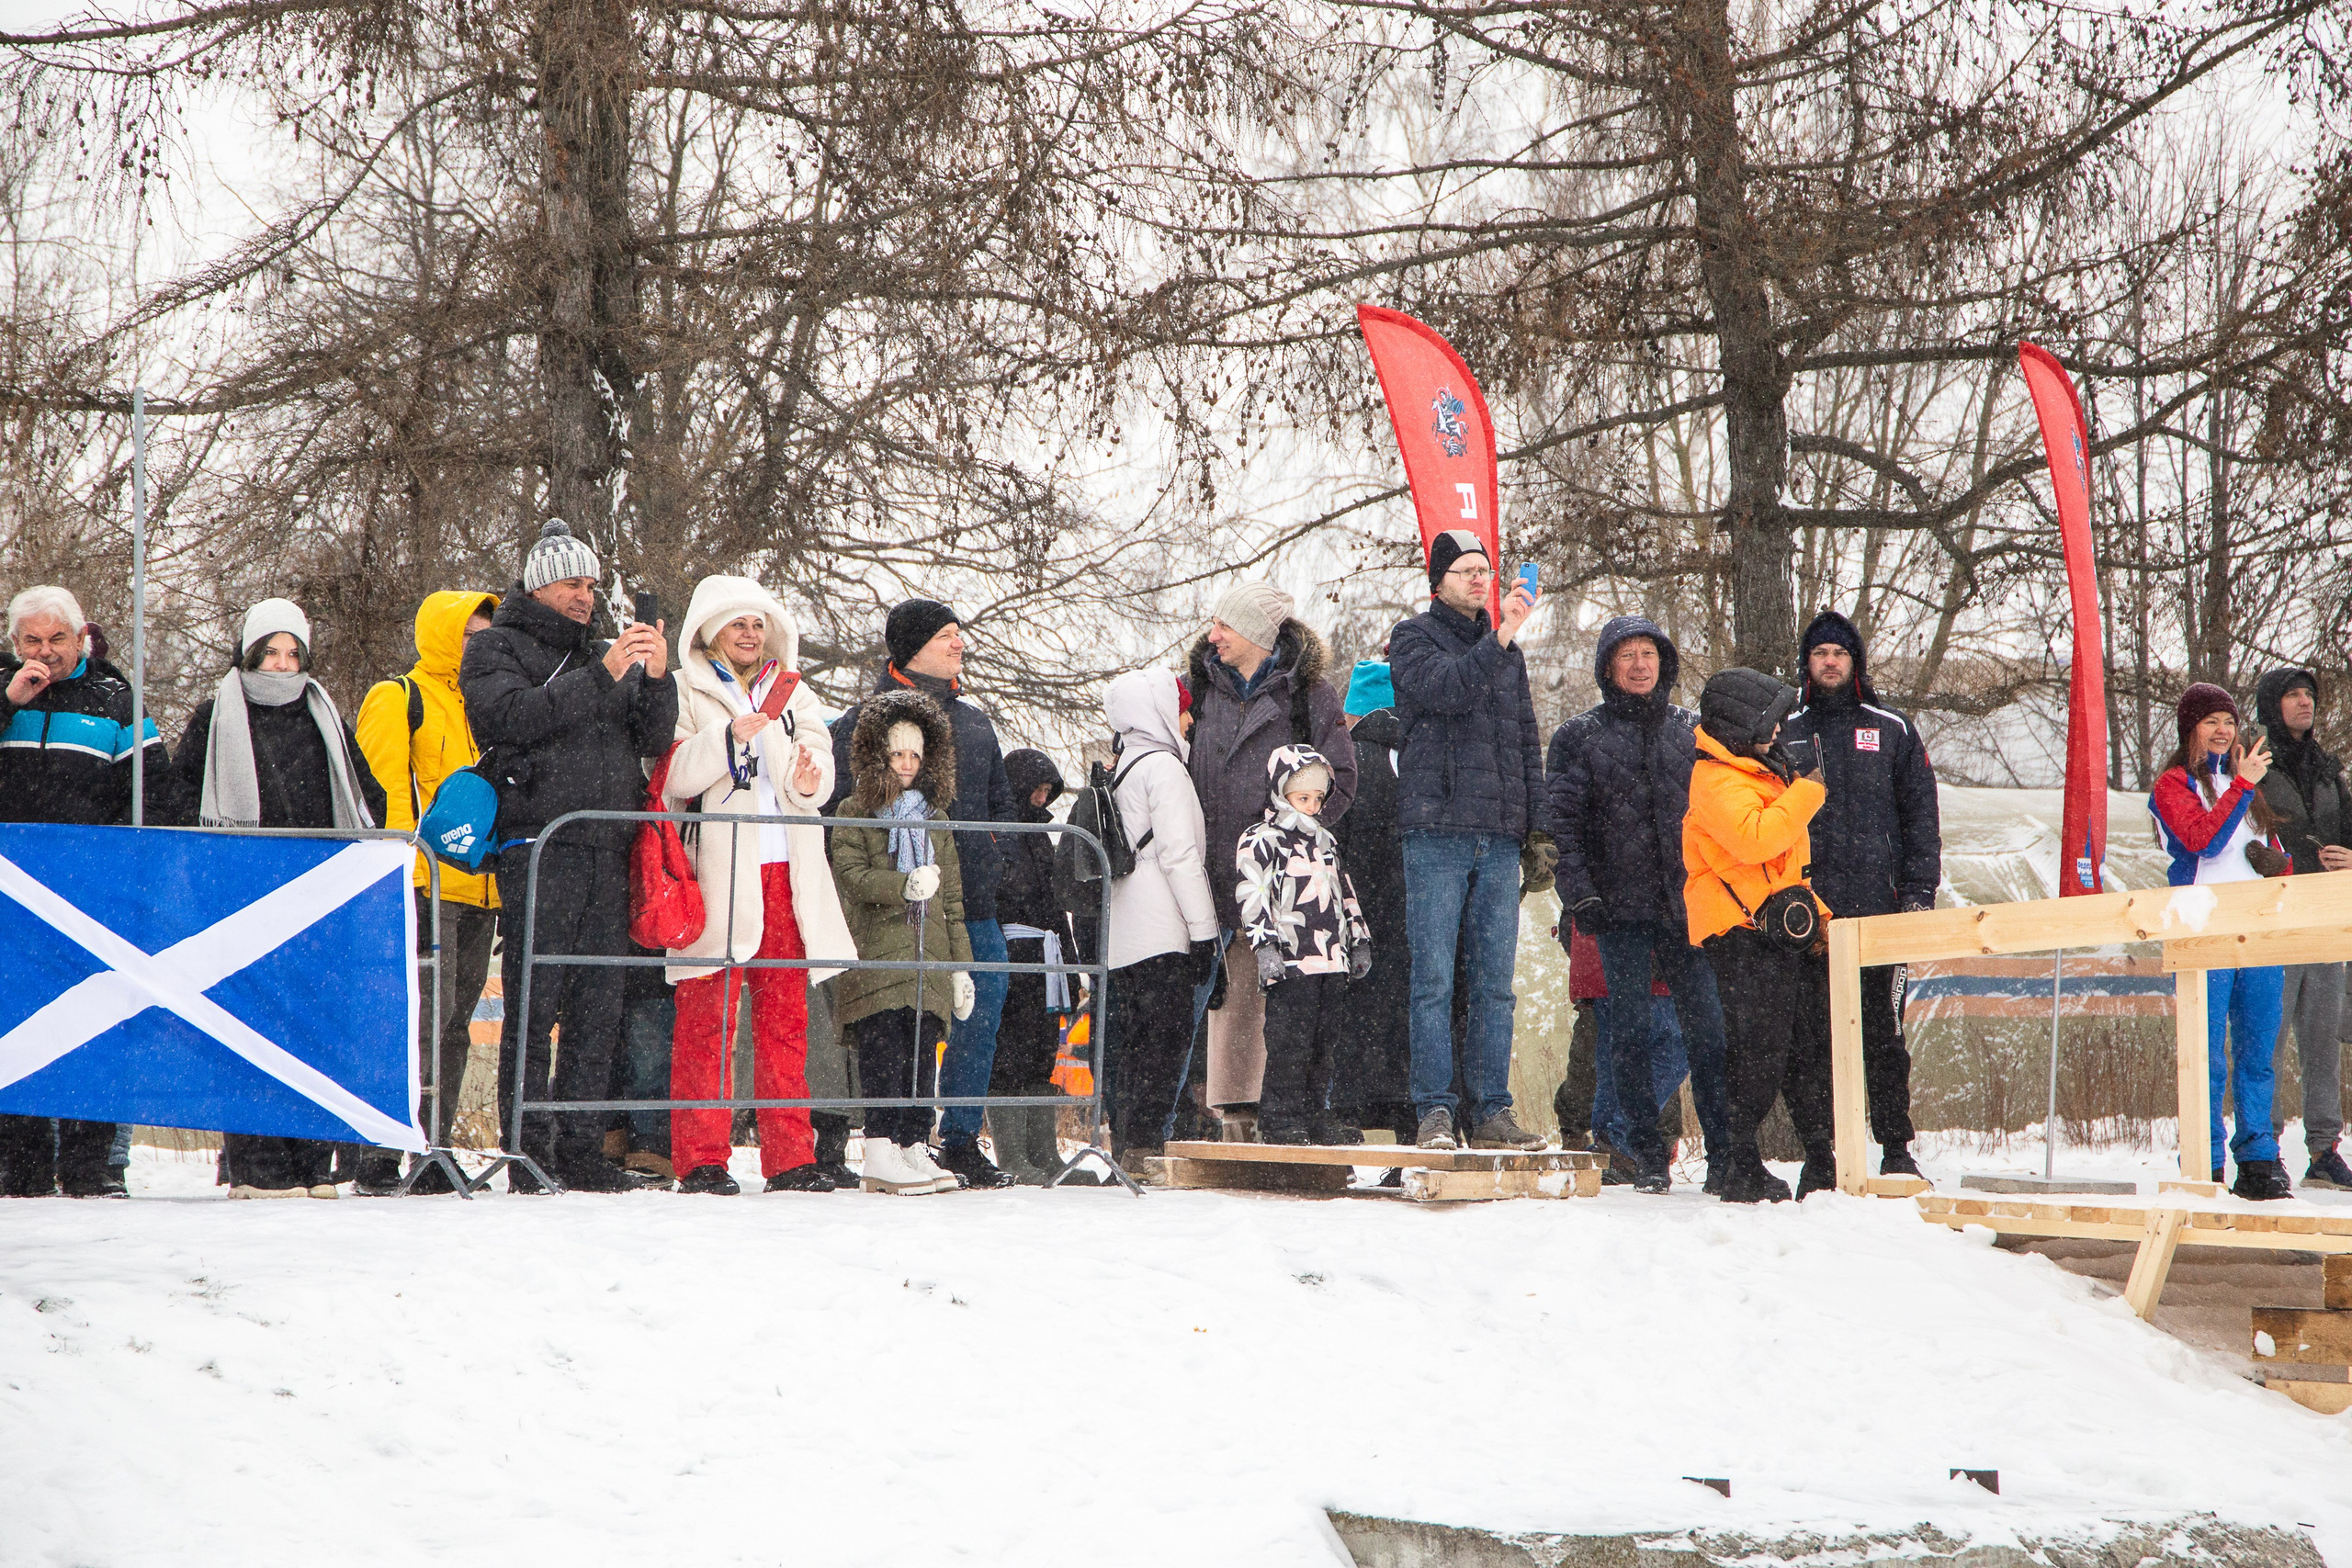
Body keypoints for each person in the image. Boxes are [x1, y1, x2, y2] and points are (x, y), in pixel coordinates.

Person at [460, 518, 677, 1192]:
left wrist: (659, 678)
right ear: (538, 583)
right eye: (572, 582)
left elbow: (652, 735)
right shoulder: (495, 647)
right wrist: (602, 674)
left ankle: (582, 1147)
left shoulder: (602, 652)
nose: (586, 596)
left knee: (598, 1004)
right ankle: (527, 1147)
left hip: (608, 849)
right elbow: (509, 719)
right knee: (535, 1002)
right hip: (538, 847)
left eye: (591, 584)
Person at [168, 598, 387, 1197]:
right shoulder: (218, 713)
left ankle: (314, 1161)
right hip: (241, 899)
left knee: (314, 1027)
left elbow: (368, 796)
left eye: (293, 653)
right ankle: (257, 1164)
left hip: (318, 904)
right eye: (271, 651)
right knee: (249, 1026)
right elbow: (181, 796)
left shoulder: (324, 712)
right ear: (249, 653)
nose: (282, 664)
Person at [660, 576, 860, 1195]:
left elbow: (819, 775)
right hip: (719, 878)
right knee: (706, 1021)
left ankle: (791, 1155)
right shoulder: (687, 690)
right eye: (736, 624)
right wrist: (729, 739)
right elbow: (675, 775)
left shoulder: (795, 692)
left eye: (757, 624)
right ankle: (701, 1158)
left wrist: (808, 775)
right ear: (711, 631)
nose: (749, 635)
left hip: (790, 877)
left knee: (786, 1023)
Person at [827, 600, 1016, 1188]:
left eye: (960, 634)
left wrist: (990, 861)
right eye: (945, 635)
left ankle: (957, 1138)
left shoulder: (978, 724)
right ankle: (884, 1137)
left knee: (970, 1014)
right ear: (910, 646)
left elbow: (1003, 809)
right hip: (890, 911)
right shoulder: (860, 723)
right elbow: (839, 815)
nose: (959, 644)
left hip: (967, 907)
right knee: (894, 1021)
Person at [1545, 614, 1730, 1192]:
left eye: (1649, 653)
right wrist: (1580, 894)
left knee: (1709, 1032)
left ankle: (1725, 1153)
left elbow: (1721, 815)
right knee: (1623, 1034)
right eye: (1627, 655)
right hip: (1617, 911)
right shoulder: (1580, 736)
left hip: (1689, 909)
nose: (1640, 664)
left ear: (1664, 662)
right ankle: (1644, 1153)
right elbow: (1562, 827)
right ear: (1608, 668)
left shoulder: (1694, 731)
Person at [0, 584, 168, 1199]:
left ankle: (90, 1164)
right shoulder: (5, 690)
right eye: (32, 641)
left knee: (94, 1021)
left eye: (57, 639)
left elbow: (156, 794)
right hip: (11, 901)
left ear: (81, 638)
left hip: (92, 896)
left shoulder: (115, 699)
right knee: (14, 1022)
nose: (47, 652)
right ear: (16, 643)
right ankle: (18, 1165)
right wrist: (7, 699)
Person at [1389, 530, 1548, 1153]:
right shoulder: (1411, 639)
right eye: (1465, 570)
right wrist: (1503, 633)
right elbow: (1450, 689)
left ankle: (1491, 1111)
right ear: (1438, 581)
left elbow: (1524, 740)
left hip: (1498, 838)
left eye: (1485, 569)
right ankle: (1433, 1109)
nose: (1479, 579)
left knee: (1494, 985)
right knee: (1432, 979)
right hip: (1436, 832)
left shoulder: (1506, 651)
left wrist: (1536, 828)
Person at [1186, 581, 1356, 1137]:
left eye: (1224, 627)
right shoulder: (1196, 691)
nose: (1213, 637)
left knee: (1290, 1011)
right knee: (1224, 1007)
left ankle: (1286, 1117)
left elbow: (1341, 778)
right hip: (1210, 874)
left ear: (1258, 635)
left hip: (1287, 890)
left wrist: (1293, 841)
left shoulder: (1310, 695)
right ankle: (1226, 1122)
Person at [351, 590, 502, 1195]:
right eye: (470, 635)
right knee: (412, 1022)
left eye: (488, 637)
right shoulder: (398, 697)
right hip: (418, 887)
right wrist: (389, 877)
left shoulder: (491, 704)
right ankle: (380, 1152)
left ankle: (431, 1148)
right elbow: (380, 794)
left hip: (479, 891)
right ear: (443, 635)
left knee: (454, 1025)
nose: (480, 647)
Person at [1781, 611, 1939, 1179]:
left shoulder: (1892, 728)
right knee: (1810, 1043)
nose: (1829, 662)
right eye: (1820, 653)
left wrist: (1919, 894)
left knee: (1884, 1038)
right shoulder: (1785, 729)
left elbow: (1921, 816)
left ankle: (1896, 1150)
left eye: (1839, 654)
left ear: (1854, 664)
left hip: (1881, 913)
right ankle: (1820, 1156)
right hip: (1808, 920)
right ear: (1807, 663)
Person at [1683, 667, 1834, 1203]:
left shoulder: (1760, 773)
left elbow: (1787, 872)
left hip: (1777, 933)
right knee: (1759, 1051)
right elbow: (1755, 842)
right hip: (1740, 935)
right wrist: (1808, 793)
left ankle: (1821, 1160)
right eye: (1769, 722)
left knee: (1807, 1050)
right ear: (1741, 724)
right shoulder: (1717, 780)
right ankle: (1740, 1164)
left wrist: (1819, 920)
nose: (1778, 731)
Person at [2150, 683, 2295, 1201]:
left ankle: (2258, 1157)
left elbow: (2272, 856)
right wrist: (2242, 788)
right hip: (2201, 928)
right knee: (2205, 1053)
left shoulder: (2245, 784)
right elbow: (2202, 840)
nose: (2223, 731)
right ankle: (2205, 1157)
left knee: (2257, 1051)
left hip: (2255, 930)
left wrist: (2280, 864)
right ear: (2191, 728)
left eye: (2229, 721)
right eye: (2211, 721)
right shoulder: (2173, 783)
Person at [830, 689, 975, 1195]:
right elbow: (850, 875)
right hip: (878, 954)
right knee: (884, 1049)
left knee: (920, 1053)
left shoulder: (937, 821)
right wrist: (901, 887)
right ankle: (880, 1146)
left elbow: (953, 902)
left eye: (916, 754)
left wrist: (961, 968)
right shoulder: (855, 810)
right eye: (897, 753)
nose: (908, 764)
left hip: (928, 960)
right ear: (878, 755)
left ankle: (912, 1143)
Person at [1100, 669, 1221, 1159]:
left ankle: (1128, 1143)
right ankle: (1145, 1149)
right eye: (1183, 707)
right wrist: (1204, 932)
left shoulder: (1122, 766)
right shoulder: (1164, 767)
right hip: (1162, 928)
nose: (1189, 720)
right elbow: (1180, 856)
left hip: (1124, 929)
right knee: (1163, 1045)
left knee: (1132, 1047)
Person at [1238, 745, 1373, 1143]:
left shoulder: (1325, 841)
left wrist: (1359, 940)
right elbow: (1253, 893)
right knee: (1289, 1042)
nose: (1312, 806)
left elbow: (1344, 893)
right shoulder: (1262, 840)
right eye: (1303, 798)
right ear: (1280, 791)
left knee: (1323, 1044)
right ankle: (1280, 1119)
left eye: (1318, 798)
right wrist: (1264, 947)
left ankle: (1316, 1115)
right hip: (1292, 960)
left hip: (1332, 960)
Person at [2253, 666, 2352, 1190]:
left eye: (2309, 695)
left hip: (2326, 915)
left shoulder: (2328, 767)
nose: (2304, 702)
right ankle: (2263, 1146)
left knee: (2322, 1039)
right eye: (2292, 695)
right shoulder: (2254, 766)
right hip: (2274, 917)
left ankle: (2324, 1149)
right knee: (2266, 1038)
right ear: (2273, 704)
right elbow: (2240, 836)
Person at [1333, 659, 1413, 1142]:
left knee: (1357, 1015)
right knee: (1408, 1009)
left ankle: (1349, 1118)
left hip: (1355, 914)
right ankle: (1406, 1120)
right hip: (1415, 911)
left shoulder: (1345, 766)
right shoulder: (1418, 758)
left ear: (1353, 713)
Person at [991, 747, 1079, 1183]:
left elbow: (1054, 908)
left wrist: (1072, 966)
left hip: (1045, 960)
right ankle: (1013, 1157)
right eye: (1036, 791)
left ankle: (1043, 1154)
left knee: (1042, 1053)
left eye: (1048, 791)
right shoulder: (1002, 831)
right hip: (1014, 956)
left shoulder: (1041, 836)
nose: (1042, 799)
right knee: (1009, 1054)